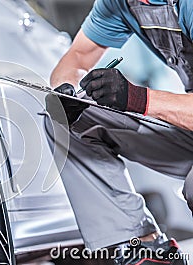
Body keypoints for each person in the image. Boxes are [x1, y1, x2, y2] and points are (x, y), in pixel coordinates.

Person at [45, 0, 193, 264]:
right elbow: (78, 55)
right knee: (66, 120)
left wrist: (136, 97)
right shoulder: (118, 3)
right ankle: (147, 252)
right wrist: (68, 89)